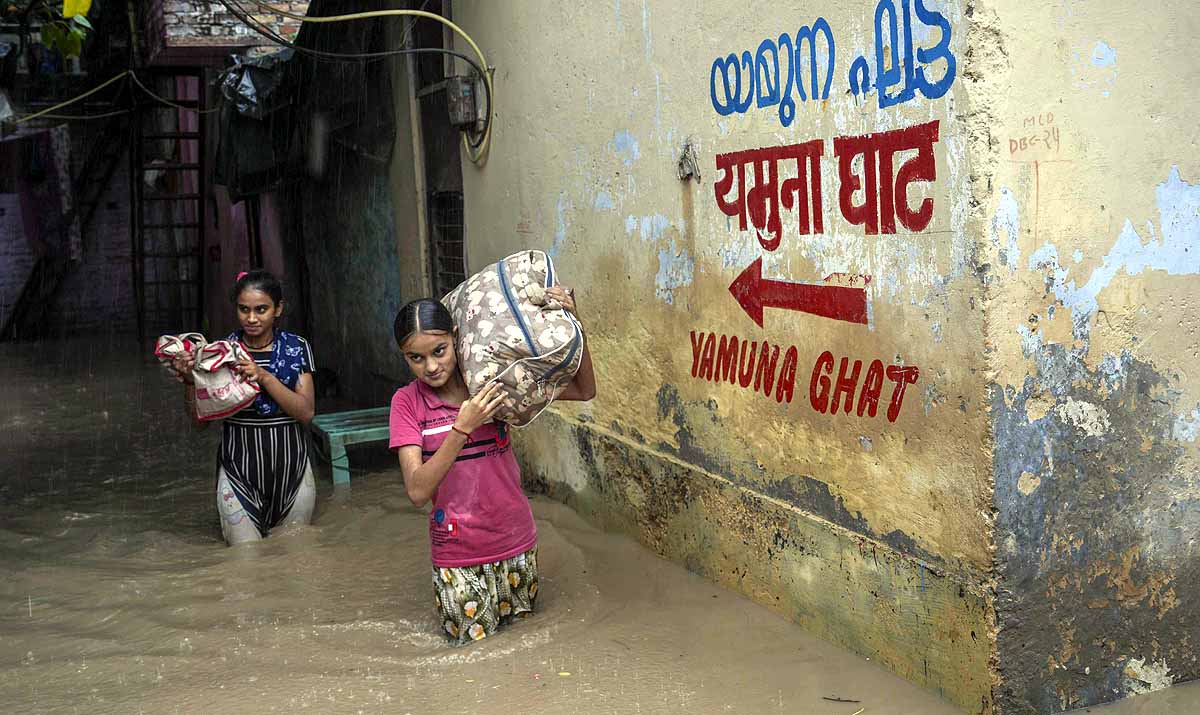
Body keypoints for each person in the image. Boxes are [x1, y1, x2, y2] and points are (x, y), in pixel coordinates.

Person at [389, 286, 595, 644]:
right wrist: (462, 428)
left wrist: (575, 325)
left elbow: (583, 389)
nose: (431, 367)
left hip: (517, 543)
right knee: (470, 663)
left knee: (521, 653)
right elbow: (418, 491)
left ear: (456, 338)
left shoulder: (492, 382)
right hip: (457, 556)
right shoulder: (407, 403)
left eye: (439, 351)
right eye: (415, 358)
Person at [170, 270, 317, 545]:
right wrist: (191, 380)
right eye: (243, 309)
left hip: (292, 473)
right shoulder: (220, 354)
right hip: (238, 473)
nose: (251, 318)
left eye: (261, 309)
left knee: (300, 560)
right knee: (244, 565)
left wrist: (263, 377)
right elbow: (199, 424)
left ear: (278, 309)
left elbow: (306, 413)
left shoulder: (297, 349)